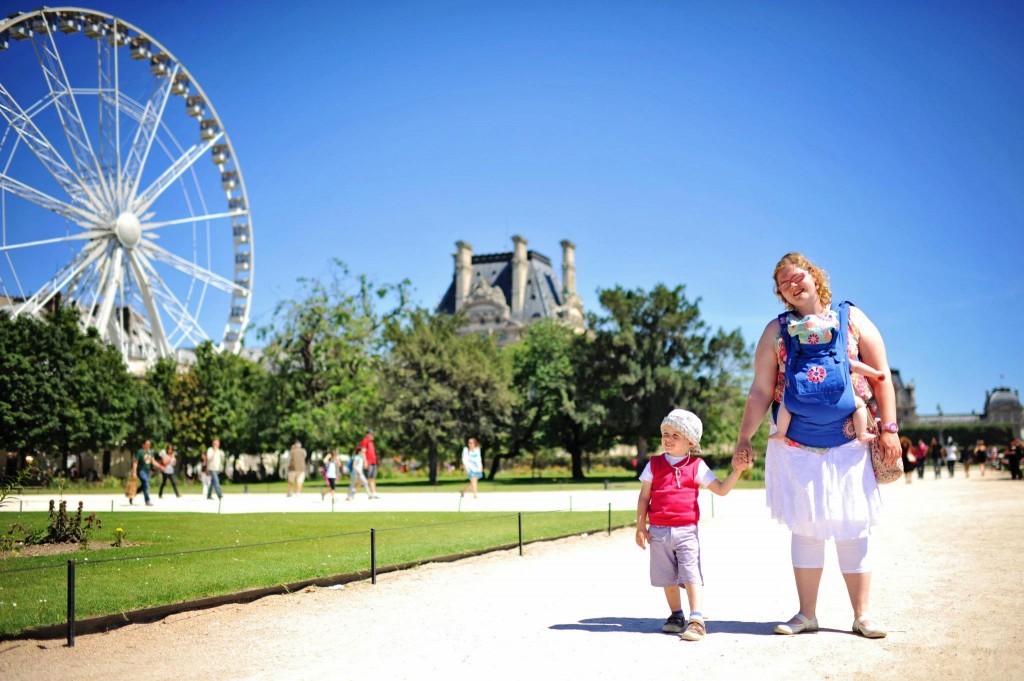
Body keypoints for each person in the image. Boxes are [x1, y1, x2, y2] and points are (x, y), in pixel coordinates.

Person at [733, 252, 899, 639]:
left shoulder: (851, 317)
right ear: (781, 295)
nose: (793, 284)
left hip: (850, 440)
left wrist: (889, 428)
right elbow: (760, 390)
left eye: (798, 276)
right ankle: (806, 614)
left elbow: (881, 375)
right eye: (784, 283)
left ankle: (862, 616)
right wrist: (744, 436)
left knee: (853, 527)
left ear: (815, 276)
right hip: (795, 443)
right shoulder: (775, 330)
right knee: (806, 529)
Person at [637, 409, 750, 641]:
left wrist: (736, 472)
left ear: (690, 441)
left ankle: (696, 619)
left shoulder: (697, 466)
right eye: (665, 433)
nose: (667, 439)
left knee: (690, 574)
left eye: (675, 435)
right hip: (658, 531)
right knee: (666, 577)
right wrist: (640, 526)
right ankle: (676, 615)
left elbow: (720, 489)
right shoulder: (654, 464)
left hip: (686, 531)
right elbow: (643, 497)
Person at [771, 357, 885, 444]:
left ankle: (781, 432)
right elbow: (855, 366)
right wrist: (875, 374)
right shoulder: (838, 357)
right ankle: (861, 434)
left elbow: (784, 369)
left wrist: (783, 365)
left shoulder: (798, 358)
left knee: (786, 405)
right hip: (837, 402)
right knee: (860, 405)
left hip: (804, 402)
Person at [131, 440, 155, 506]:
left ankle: (132, 494)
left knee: (144, 486)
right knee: (146, 483)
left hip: (147, 472)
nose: (148, 446)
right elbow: (135, 462)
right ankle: (147, 501)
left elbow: (153, 461)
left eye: (149, 444)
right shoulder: (140, 452)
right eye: (147, 444)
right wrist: (134, 472)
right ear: (143, 445)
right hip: (141, 471)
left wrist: (161, 467)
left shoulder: (151, 452)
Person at [359, 430, 380, 499]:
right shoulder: (365, 441)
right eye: (371, 434)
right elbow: (363, 452)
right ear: (367, 434)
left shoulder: (371, 442)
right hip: (368, 462)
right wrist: (365, 462)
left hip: (373, 462)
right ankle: (352, 492)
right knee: (364, 479)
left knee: (372, 478)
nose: (372, 436)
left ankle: (374, 493)